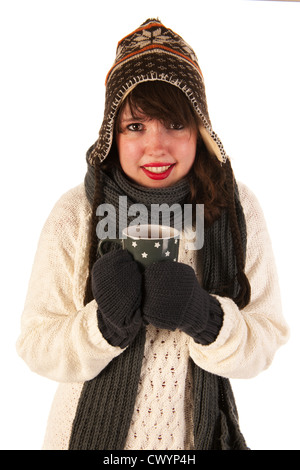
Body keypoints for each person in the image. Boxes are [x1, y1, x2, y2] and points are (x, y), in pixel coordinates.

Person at [16, 18, 289, 450]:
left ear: (198, 129)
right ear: (113, 133)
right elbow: (34, 343)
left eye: (174, 124)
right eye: (136, 126)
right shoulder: (77, 211)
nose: (156, 146)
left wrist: (205, 317)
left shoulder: (235, 210)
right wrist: (102, 324)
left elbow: (267, 337)